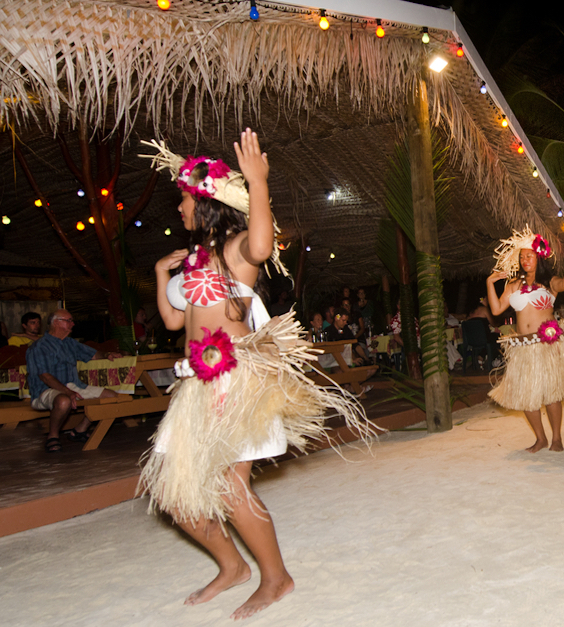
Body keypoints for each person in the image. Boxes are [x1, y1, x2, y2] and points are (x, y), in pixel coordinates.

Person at [140, 130, 375, 620]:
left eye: (184, 199)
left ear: (205, 203)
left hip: (236, 384)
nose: (179, 208)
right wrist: (163, 276)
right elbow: (172, 322)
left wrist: (258, 182)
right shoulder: (191, 264)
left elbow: (264, 244)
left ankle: (276, 578)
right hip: (195, 387)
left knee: (229, 488)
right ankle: (232, 566)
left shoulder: (235, 251)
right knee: (172, 492)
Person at [486, 227, 564, 452]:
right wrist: (490, 283)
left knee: (551, 394)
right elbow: (496, 308)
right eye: (522, 256)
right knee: (527, 396)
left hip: (546, 345)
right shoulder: (513, 285)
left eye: (529, 255)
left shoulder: (549, 283)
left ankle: (557, 438)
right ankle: (540, 438)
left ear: (539, 257)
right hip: (523, 347)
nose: (524, 260)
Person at [25, 310, 122, 452]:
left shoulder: (69, 343)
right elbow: (45, 376)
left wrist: (107, 354)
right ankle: (53, 436)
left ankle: (79, 430)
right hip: (44, 390)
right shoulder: (39, 347)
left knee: (112, 398)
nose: (73, 323)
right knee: (64, 401)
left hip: (73, 386)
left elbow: (94, 355)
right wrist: (67, 392)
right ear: (56, 322)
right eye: (69, 320)